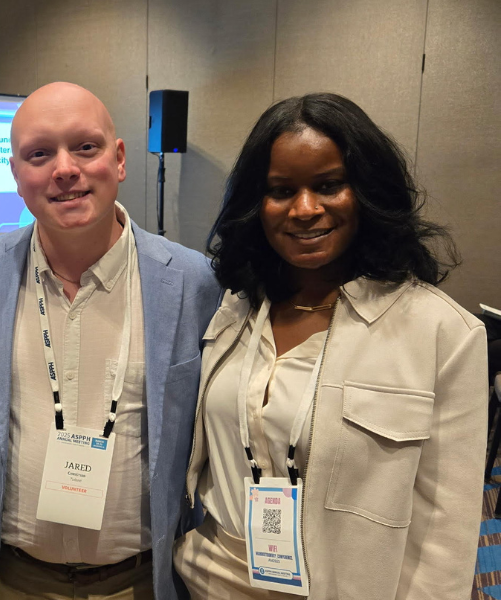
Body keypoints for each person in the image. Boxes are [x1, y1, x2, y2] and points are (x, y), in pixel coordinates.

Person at [173, 93, 487, 599]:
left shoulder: (440, 334)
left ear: (365, 191)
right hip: (213, 576)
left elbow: (445, 536)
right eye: (280, 190)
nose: (304, 209)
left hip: (341, 583)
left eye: (328, 186)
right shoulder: (236, 309)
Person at [0, 82, 220, 599]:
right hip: (14, 579)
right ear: (16, 176)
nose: (64, 169)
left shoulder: (195, 282)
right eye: (40, 154)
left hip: (140, 583)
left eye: (85, 147)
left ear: (119, 159)